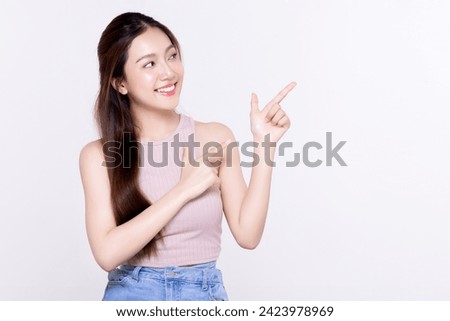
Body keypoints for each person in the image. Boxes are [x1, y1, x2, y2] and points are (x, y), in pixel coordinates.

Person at [79, 12, 296, 301]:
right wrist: (183, 190)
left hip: (202, 295)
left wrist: (265, 144)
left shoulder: (215, 137)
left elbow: (248, 234)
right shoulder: (98, 155)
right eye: (150, 64)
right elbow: (106, 254)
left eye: (172, 56)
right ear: (120, 83)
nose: (168, 72)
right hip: (132, 296)